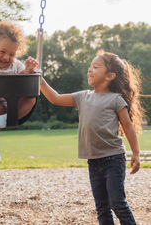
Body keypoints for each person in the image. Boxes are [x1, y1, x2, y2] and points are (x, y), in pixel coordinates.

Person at [40, 50, 144, 225]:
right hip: (94, 161)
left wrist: (136, 153)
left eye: (95, 67)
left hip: (114, 159)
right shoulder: (83, 97)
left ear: (110, 75)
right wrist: (40, 80)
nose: (90, 70)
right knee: (102, 207)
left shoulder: (116, 99)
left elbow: (128, 126)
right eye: (90, 66)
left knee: (117, 202)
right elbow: (55, 98)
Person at [0, 21, 38, 162]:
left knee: (32, 97)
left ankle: (6, 119)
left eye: (12, 54)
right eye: (2, 52)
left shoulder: (17, 65)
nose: (6, 58)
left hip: (18, 103)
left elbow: (24, 83)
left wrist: (28, 70)